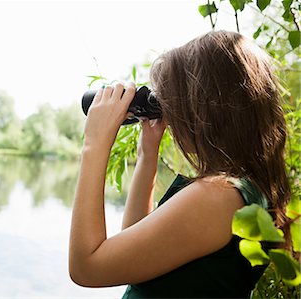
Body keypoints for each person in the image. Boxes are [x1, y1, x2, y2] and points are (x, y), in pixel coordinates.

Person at [68, 30, 290, 298]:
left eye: (174, 104)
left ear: (204, 109)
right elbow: (136, 250)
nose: (171, 117)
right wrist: (147, 156)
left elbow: (86, 267)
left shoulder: (216, 197)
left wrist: (94, 145)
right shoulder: (241, 190)